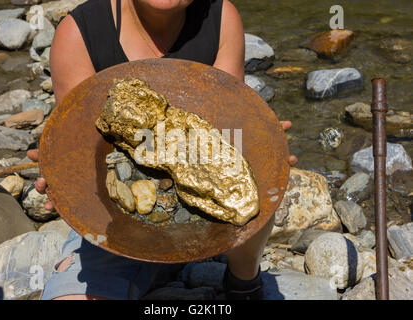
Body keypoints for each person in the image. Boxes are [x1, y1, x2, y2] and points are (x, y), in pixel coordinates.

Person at [27, 0, 297, 300]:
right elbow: (80, 144)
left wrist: (264, 147)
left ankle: (242, 281)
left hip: (207, 224)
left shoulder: (220, 18)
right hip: (114, 227)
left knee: (259, 187)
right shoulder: (81, 32)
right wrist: (64, 179)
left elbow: (226, 123)